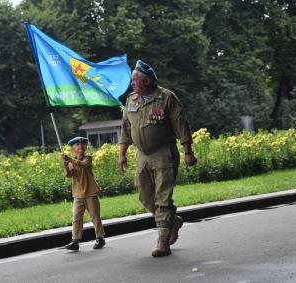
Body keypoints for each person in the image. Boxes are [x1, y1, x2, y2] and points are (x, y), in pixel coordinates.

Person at [118, 60, 197, 257]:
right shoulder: (131, 100)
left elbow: (181, 124)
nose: (132, 84)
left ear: (147, 81)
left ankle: (163, 241)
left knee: (163, 197)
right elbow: (126, 129)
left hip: (163, 153)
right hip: (142, 156)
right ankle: (172, 220)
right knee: (145, 195)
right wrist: (122, 154)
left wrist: (187, 151)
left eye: (135, 81)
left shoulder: (166, 98)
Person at [62, 136, 105, 251]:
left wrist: (69, 159)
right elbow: (69, 175)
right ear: (72, 148)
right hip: (78, 194)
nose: (80, 146)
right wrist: (66, 165)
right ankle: (75, 240)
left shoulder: (88, 158)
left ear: (86, 146)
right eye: (77, 145)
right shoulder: (71, 161)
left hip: (91, 192)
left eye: (82, 144)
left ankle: (100, 238)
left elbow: (82, 165)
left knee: (95, 217)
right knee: (76, 218)